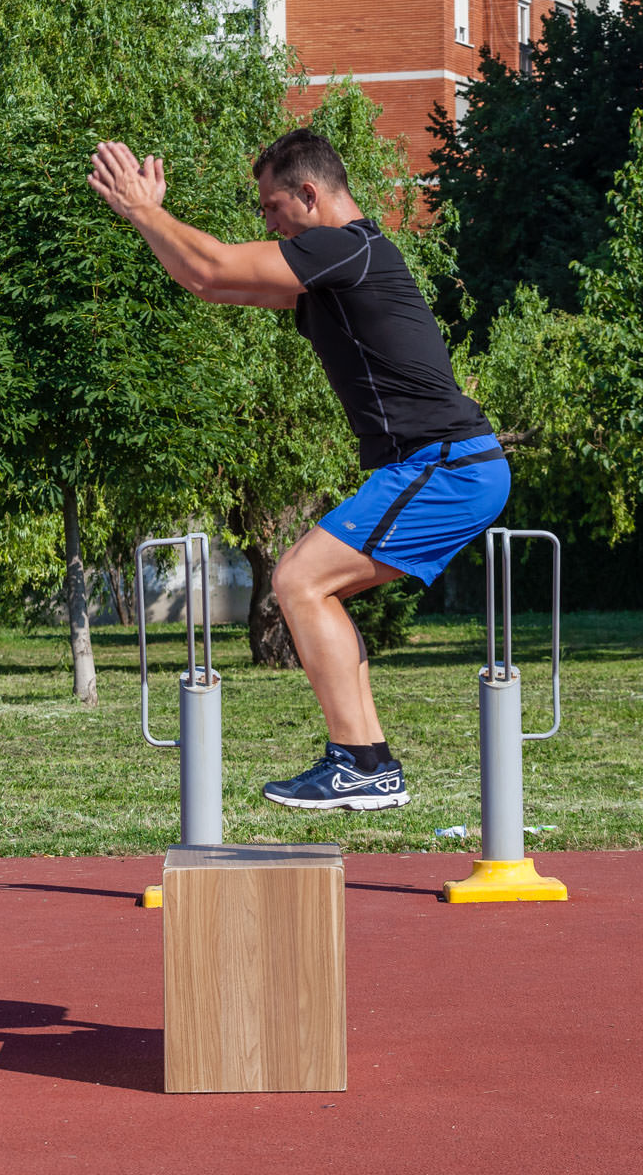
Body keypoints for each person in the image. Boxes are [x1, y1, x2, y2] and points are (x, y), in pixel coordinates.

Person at [87, 129, 510, 812]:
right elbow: (207, 281)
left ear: (309, 195)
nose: (268, 222)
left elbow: (217, 265)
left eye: (271, 206)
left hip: (446, 466)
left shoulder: (344, 248)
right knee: (315, 589)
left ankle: (359, 764)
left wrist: (144, 210)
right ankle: (368, 760)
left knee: (297, 580)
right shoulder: (343, 266)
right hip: (444, 466)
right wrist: (147, 220)